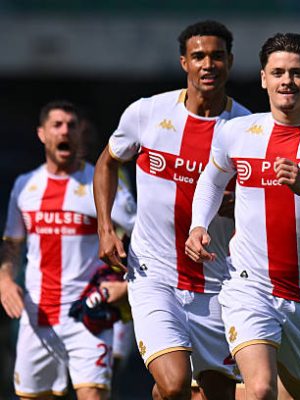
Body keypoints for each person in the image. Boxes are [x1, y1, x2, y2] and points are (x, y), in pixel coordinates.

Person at [186, 32, 300, 400]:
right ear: (263, 78)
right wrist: (198, 225)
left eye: (297, 73)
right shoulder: (236, 132)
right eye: (278, 72)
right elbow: (211, 182)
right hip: (250, 285)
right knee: (261, 388)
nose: (288, 81)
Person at [93, 20, 250, 400]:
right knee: (176, 383)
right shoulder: (147, 112)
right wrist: (105, 229)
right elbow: (107, 163)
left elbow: (263, 203)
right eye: (199, 56)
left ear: (230, 61)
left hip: (217, 282)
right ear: (184, 62)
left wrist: (239, 204)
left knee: (215, 395)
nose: (208, 64)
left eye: (217, 56)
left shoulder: (247, 129)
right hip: (154, 272)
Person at [0, 100, 136, 400]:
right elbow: (12, 244)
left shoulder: (102, 183)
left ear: (79, 134)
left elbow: (143, 234)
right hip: (37, 317)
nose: (65, 131)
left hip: (87, 314)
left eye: (72, 126)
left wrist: (127, 284)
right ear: (41, 134)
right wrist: (5, 279)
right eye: (57, 125)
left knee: (94, 395)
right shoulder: (25, 186)